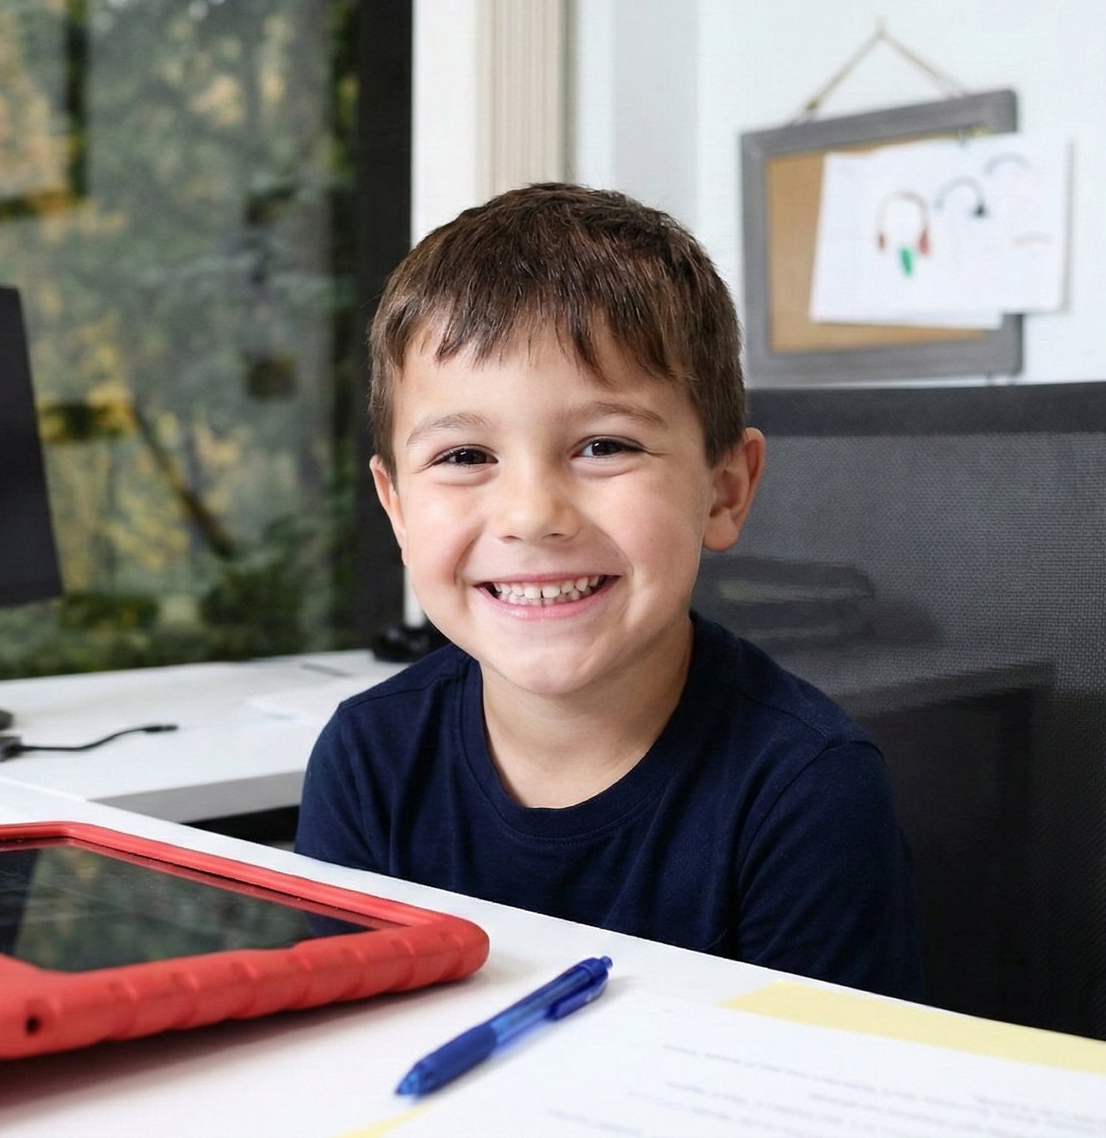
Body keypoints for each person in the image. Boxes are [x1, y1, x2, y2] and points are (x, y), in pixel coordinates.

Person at [295, 184, 924, 999]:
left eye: (602, 445)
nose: (531, 514)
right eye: (463, 457)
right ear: (398, 509)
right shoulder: (366, 761)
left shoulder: (808, 791)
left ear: (725, 489)